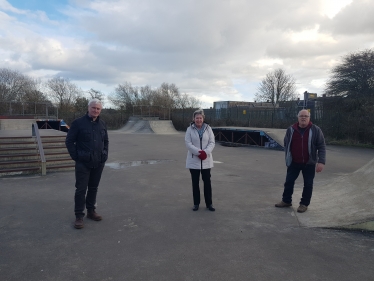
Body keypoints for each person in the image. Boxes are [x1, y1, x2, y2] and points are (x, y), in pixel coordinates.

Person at [66, 98, 109, 229]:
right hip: (83, 162)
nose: (96, 110)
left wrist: (104, 155)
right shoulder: (78, 123)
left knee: (93, 188)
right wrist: (77, 157)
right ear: (88, 108)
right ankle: (79, 216)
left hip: (98, 162)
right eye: (93, 108)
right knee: (81, 189)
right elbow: (69, 141)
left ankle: (91, 211)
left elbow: (106, 141)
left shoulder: (102, 124)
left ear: (100, 110)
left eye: (98, 109)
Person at [275, 109, 326, 213]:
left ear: (309, 118)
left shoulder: (316, 130)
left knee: (308, 184)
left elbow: (321, 146)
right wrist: (289, 156)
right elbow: (286, 143)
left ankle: (304, 204)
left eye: (306, 116)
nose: (303, 118)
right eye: (301, 116)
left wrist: (321, 161)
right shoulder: (291, 130)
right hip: (294, 162)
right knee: (289, 182)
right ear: (298, 118)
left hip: (309, 163)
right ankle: (286, 201)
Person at [185, 109, 216, 211]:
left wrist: (205, 152)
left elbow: (212, 142)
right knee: (195, 183)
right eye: (197, 118)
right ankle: (196, 203)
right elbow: (188, 143)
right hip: (194, 160)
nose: (199, 120)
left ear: (203, 119)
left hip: (206, 161)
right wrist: (199, 152)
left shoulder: (208, 128)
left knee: (207, 182)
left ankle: (209, 204)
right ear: (193, 119)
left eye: (200, 118)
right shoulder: (189, 129)